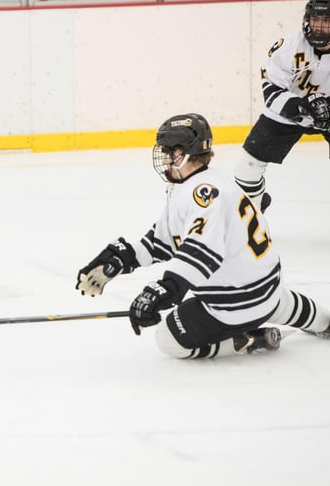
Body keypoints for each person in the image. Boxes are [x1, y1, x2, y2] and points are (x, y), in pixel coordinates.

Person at [76, 113, 330, 359]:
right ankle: (322, 321)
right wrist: (121, 258)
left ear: (180, 154)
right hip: (269, 288)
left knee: (168, 340)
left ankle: (249, 340)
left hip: (234, 305)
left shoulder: (202, 194)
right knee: (284, 306)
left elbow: (199, 254)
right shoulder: (206, 182)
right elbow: (162, 243)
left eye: (166, 151)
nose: (163, 158)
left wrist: (165, 290)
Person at [234, 0, 330, 213]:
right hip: (290, 110)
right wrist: (304, 107)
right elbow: (271, 89)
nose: (319, 26)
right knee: (246, 167)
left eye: (326, 21)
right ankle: (252, 212)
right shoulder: (288, 46)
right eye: (315, 19)